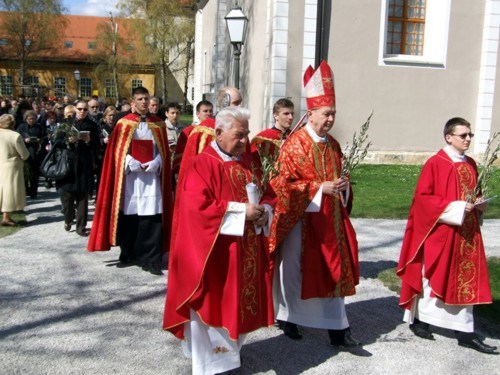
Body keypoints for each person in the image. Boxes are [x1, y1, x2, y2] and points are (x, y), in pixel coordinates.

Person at [164, 106, 275, 374]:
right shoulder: (203, 164)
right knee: (213, 308)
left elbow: (268, 194)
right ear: (219, 133)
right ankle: (212, 366)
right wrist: (241, 211)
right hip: (215, 258)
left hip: (245, 251)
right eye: (239, 135)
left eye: (247, 134)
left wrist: (265, 213)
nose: (245, 141)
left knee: (239, 307)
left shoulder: (247, 161)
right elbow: (196, 210)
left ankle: (229, 357)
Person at [269, 61, 361, 348]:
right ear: (311, 113)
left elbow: (339, 177)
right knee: (295, 271)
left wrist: (344, 188)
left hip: (331, 220)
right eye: (326, 113)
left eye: (333, 113)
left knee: (335, 270)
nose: (331, 118)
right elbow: (281, 185)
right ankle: (289, 317)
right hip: (302, 222)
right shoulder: (294, 144)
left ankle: (338, 328)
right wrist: (320, 188)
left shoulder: (333, 144)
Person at [397, 117, 497, 354]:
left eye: (470, 135)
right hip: (441, 232)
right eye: (463, 135)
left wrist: (479, 204)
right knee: (434, 279)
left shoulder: (471, 164)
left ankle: (465, 332)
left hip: (467, 234)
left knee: (465, 281)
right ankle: (421, 320)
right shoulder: (436, 163)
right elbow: (422, 200)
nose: (468, 139)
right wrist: (458, 208)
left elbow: (473, 194)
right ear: (448, 137)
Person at [87, 87, 172, 276]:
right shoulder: (123, 124)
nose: (144, 102)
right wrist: (129, 161)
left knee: (152, 217)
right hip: (131, 178)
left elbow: (164, 152)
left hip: (151, 177)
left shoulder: (159, 124)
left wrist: (157, 162)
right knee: (130, 215)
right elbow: (116, 151)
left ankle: (151, 259)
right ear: (133, 103)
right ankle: (129, 253)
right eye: (140, 99)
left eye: (146, 98)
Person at [52, 100, 99, 236]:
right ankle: (68, 219)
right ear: (75, 109)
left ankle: (81, 227)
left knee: (83, 197)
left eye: (85, 109)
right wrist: (69, 140)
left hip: (84, 164)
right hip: (69, 164)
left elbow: (97, 145)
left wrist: (89, 140)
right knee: (68, 197)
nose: (82, 112)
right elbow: (57, 142)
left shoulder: (92, 125)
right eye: (80, 109)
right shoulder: (66, 123)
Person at [0, 114, 30, 226]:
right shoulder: (15, 136)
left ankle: (6, 216)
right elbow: (25, 154)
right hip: (11, 166)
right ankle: (6, 217)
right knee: (9, 192)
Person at [171, 99, 214, 175]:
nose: (208, 114)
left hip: (212, 168)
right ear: (198, 114)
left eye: (210, 111)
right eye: (205, 111)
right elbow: (181, 155)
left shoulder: (217, 130)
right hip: (194, 170)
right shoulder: (188, 131)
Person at [251, 98, 294, 164]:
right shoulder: (261, 138)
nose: (291, 117)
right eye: (286, 114)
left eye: (292, 114)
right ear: (275, 116)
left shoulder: (295, 136)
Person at [17, 109, 48, 198]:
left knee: (35, 175)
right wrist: (24, 140)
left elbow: (45, 137)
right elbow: (16, 138)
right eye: (30, 119)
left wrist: (40, 140)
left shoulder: (39, 127)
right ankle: (25, 190)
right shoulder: (21, 127)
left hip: (36, 153)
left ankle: (33, 192)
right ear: (26, 119)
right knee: (25, 174)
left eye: (33, 119)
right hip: (25, 153)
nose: (31, 120)